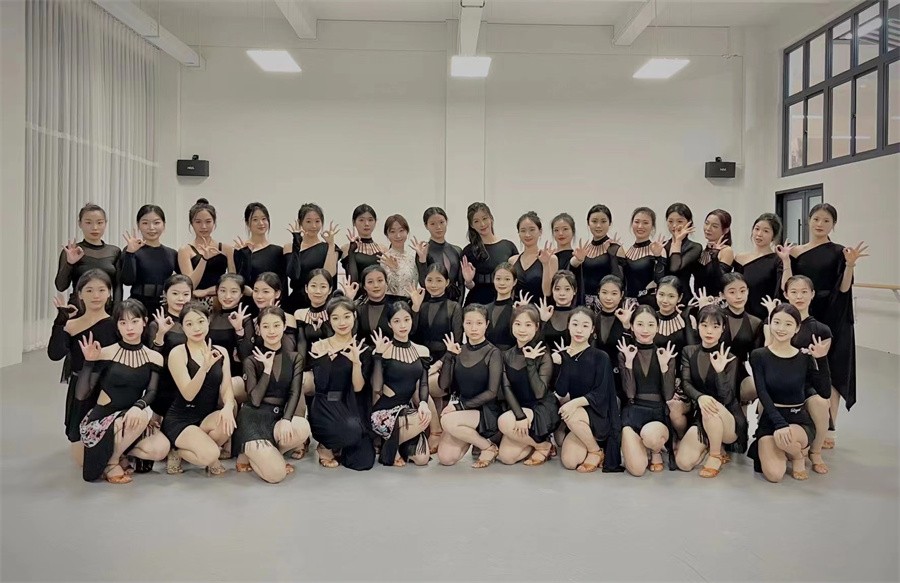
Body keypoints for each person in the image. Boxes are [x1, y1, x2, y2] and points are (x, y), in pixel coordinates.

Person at [789, 203, 866, 448]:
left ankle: (829, 426)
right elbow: (788, 284)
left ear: (833, 225)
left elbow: (844, 288)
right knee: (803, 366)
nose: (820, 224)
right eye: (816, 219)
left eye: (826, 220)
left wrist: (850, 265)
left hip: (834, 316)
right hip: (804, 312)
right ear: (808, 220)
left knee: (832, 370)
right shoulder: (796, 251)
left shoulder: (840, 252)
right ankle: (806, 421)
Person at [74, 299, 170, 483]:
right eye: (123, 322)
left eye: (134, 321)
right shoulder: (106, 352)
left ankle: (119, 452)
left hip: (131, 419)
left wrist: (137, 407)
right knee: (140, 417)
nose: (129, 328)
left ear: (144, 321)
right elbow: (81, 395)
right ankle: (112, 462)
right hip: (101, 423)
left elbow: (151, 391)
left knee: (161, 448)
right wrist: (89, 363)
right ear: (117, 326)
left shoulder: (154, 357)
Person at [748, 303, 831, 483]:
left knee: (783, 438)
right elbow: (762, 392)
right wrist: (779, 423)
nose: (781, 328)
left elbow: (824, 393)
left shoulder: (804, 357)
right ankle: (784, 450)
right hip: (771, 419)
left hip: (798, 420)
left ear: (797, 328)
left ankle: (797, 456)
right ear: (770, 324)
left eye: (788, 324)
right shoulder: (758, 355)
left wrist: (822, 360)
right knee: (774, 475)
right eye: (777, 322)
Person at [763, 275, 834, 474]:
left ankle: (815, 451)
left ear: (812, 294)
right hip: (777, 384)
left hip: (805, 386)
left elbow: (821, 375)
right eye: (794, 292)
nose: (799, 296)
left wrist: (820, 358)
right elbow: (766, 355)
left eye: (804, 292)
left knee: (821, 402)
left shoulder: (821, 330)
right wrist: (771, 320)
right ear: (786, 294)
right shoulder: (774, 324)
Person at [48, 269, 118, 464]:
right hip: (81, 388)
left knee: (108, 445)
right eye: (89, 290)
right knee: (81, 459)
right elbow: (55, 354)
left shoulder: (115, 324)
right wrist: (60, 322)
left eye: (101, 290)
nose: (96, 296)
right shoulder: (71, 325)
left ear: (109, 293)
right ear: (79, 294)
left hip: (108, 389)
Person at [234, 307, 310, 483]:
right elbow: (255, 399)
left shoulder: (295, 358)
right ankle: (249, 452)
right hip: (254, 418)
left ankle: (268, 454)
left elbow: (295, 392)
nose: (271, 331)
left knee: (302, 427)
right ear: (259, 329)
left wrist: (286, 419)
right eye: (266, 326)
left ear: (284, 326)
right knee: (276, 475)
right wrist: (267, 370)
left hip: (276, 417)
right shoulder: (251, 360)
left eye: (276, 325)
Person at [161, 301, 237, 476]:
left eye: (201, 321)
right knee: (211, 455)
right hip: (181, 419)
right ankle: (178, 451)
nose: (196, 328)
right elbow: (188, 394)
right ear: (182, 327)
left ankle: (202, 448)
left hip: (206, 416)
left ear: (208, 321)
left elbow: (226, 388)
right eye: (189, 324)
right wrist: (204, 368)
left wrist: (228, 407)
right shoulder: (178, 353)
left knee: (227, 420)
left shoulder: (221, 352)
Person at [675, 306, 745, 477]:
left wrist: (720, 372)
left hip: (728, 418)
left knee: (711, 405)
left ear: (723, 328)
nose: (709, 331)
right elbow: (686, 383)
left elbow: (727, 397)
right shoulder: (689, 352)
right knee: (683, 463)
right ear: (697, 326)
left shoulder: (729, 357)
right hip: (702, 415)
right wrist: (700, 397)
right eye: (704, 325)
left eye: (715, 326)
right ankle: (709, 446)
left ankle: (715, 454)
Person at [307, 297, 375, 470]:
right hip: (326, 404)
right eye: (336, 318)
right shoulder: (320, 346)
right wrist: (325, 363)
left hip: (352, 404)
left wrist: (356, 363)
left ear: (354, 316)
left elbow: (358, 388)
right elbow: (321, 386)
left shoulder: (363, 348)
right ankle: (325, 445)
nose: (342, 322)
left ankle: (340, 445)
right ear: (329, 320)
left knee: (364, 462)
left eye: (346, 316)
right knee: (352, 431)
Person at [553, 307, 623, 473]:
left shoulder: (600, 357)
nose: (579, 330)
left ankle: (595, 451)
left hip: (599, 414)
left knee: (570, 413)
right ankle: (593, 446)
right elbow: (561, 391)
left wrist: (574, 404)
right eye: (575, 324)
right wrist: (563, 362)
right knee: (570, 462)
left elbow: (601, 394)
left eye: (585, 326)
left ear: (592, 329)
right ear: (568, 326)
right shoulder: (563, 356)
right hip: (578, 420)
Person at [437, 305, 504, 468]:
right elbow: (443, 385)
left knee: (447, 421)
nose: (474, 328)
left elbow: (492, 392)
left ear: (487, 324)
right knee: (446, 458)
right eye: (469, 323)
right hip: (464, 411)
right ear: (463, 325)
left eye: (479, 323)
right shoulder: (458, 350)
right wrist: (449, 356)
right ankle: (479, 441)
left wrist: (458, 407)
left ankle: (488, 447)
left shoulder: (493, 353)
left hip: (487, 411)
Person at [369, 303, 433, 467]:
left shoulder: (422, 351)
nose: (402, 325)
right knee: (419, 419)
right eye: (396, 321)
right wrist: (378, 356)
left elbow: (423, 383)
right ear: (390, 324)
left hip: (406, 410)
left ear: (412, 320)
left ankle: (391, 444)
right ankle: (391, 449)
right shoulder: (383, 350)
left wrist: (423, 403)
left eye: (406, 319)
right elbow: (376, 388)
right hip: (383, 413)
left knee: (422, 459)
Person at [496, 305, 559, 466]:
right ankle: (541, 444)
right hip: (520, 409)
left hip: (541, 408)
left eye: (528, 325)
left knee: (503, 421)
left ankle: (542, 444)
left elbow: (539, 393)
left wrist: (530, 362)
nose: (522, 329)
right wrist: (519, 416)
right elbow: (506, 388)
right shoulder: (506, 355)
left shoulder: (543, 353)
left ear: (536, 327)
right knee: (506, 458)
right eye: (517, 324)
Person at [618, 305, 677, 476]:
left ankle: (655, 450)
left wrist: (665, 367)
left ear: (657, 327)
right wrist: (629, 363)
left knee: (651, 436)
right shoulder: (624, 353)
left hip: (656, 414)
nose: (645, 330)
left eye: (651, 325)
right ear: (632, 326)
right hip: (633, 413)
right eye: (640, 324)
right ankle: (640, 446)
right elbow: (629, 393)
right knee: (637, 470)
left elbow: (668, 395)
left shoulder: (665, 353)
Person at [412, 263, 463, 451]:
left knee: (419, 386)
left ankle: (436, 431)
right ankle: (436, 431)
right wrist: (415, 309)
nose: (434, 285)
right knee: (421, 384)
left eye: (439, 280)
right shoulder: (421, 305)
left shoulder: (454, 307)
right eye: (430, 280)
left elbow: (456, 343)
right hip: (423, 362)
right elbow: (412, 336)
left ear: (447, 282)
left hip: (446, 364)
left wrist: (438, 364)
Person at [653, 276, 696, 439]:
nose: (665, 300)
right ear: (656, 293)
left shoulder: (686, 318)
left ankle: (681, 438)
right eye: (661, 294)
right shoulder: (649, 318)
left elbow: (691, 352)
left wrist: (686, 320)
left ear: (680, 298)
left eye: (671, 296)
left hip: (680, 381)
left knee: (674, 408)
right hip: (654, 378)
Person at [147, 274, 194, 420]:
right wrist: (161, 334)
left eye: (185, 294)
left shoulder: (196, 321)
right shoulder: (156, 324)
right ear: (165, 294)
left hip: (191, 381)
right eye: (175, 293)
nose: (181, 299)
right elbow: (153, 359)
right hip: (165, 383)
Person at [55, 203, 122, 303]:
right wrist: (69, 264)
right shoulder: (72, 251)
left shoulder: (114, 251)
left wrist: (117, 310)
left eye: (99, 222)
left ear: (105, 223)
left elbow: (118, 287)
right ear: (80, 224)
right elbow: (61, 286)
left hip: (105, 308)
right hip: (78, 308)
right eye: (88, 222)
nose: (94, 227)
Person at [119, 204, 178, 315]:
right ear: (138, 225)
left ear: (164, 225)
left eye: (156, 223)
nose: (151, 228)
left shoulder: (172, 253)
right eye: (145, 223)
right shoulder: (131, 250)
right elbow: (127, 281)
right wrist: (130, 253)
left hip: (164, 307)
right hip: (137, 307)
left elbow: (184, 280)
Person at [733, 213, 791, 321]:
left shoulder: (777, 260)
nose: (759, 234)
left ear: (773, 236)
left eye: (766, 231)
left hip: (766, 315)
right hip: (741, 314)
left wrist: (786, 261)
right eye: (757, 229)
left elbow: (785, 288)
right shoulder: (739, 258)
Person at [285, 203, 340, 312]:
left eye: (317, 221)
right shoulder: (289, 247)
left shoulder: (329, 247)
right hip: (297, 303)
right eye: (308, 221)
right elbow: (294, 275)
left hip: (322, 303)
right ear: (300, 222)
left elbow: (328, 274)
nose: (313, 226)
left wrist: (331, 244)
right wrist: (296, 244)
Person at [233, 202, 289, 309]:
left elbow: (283, 284)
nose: (261, 223)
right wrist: (246, 255)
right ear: (247, 223)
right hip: (249, 307)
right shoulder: (240, 251)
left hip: (274, 308)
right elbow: (240, 282)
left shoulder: (278, 251)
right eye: (255, 220)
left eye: (264, 219)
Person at [460, 202, 518, 306]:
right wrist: (468, 281)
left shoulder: (508, 246)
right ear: (472, 225)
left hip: (502, 303)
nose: (482, 224)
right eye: (476, 221)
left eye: (484, 218)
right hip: (476, 304)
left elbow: (515, 279)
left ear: (491, 218)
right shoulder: (468, 251)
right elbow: (469, 286)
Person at [568, 204, 624, 310]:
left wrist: (611, 255)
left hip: (607, 304)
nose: (598, 225)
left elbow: (620, 281)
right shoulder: (584, 249)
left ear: (610, 223)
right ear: (588, 223)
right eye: (594, 221)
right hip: (583, 303)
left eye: (603, 221)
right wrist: (576, 261)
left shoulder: (616, 248)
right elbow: (573, 278)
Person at [177, 198, 234, 301]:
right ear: (191, 223)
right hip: (195, 301)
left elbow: (233, 283)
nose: (203, 226)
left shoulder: (227, 249)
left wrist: (207, 291)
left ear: (214, 222)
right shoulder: (185, 250)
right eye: (198, 222)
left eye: (208, 222)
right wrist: (204, 259)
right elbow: (190, 285)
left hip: (223, 300)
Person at [413, 207, 465, 304]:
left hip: (453, 302)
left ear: (446, 222)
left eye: (441, 222)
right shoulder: (423, 251)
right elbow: (423, 283)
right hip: (430, 303)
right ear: (426, 226)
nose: (438, 227)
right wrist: (422, 260)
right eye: (433, 224)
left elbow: (461, 283)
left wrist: (459, 306)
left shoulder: (457, 250)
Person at [509, 211, 558, 301]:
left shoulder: (551, 259)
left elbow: (547, 292)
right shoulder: (512, 260)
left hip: (540, 308)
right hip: (517, 308)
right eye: (523, 231)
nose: (527, 235)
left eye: (532, 230)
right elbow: (510, 292)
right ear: (518, 233)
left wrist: (545, 264)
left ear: (540, 231)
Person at [622, 207, 667, 302]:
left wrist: (658, 256)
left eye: (645, 223)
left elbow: (661, 281)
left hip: (648, 303)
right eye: (637, 222)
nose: (640, 226)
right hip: (627, 303)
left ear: (652, 227)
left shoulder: (658, 250)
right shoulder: (627, 251)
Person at [663, 203, 702, 306]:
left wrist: (678, 242)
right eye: (670, 221)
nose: (674, 225)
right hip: (663, 298)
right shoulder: (662, 245)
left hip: (684, 298)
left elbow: (675, 268)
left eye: (680, 221)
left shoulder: (695, 247)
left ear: (689, 223)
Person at [694, 209, 734, 298]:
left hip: (715, 301)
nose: (708, 228)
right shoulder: (704, 250)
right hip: (699, 301)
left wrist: (714, 256)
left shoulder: (726, 251)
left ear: (725, 230)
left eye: (715, 226)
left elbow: (721, 281)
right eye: (707, 223)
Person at [341, 204, 384, 287]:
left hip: (379, 293)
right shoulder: (346, 248)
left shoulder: (383, 249)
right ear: (354, 222)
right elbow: (352, 282)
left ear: (375, 222)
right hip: (355, 294)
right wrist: (351, 251)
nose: (366, 224)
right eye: (361, 220)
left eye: (370, 220)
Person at [379, 214, 419, 301]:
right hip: (393, 303)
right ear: (387, 234)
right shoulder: (386, 258)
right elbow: (392, 289)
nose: (398, 236)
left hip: (411, 303)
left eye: (401, 230)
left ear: (407, 232)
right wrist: (394, 269)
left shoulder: (411, 257)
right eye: (392, 232)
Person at [537, 270, 577, 349]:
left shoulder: (579, 315)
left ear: (574, 291)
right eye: (557, 289)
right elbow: (537, 343)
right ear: (552, 290)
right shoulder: (544, 314)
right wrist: (543, 321)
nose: (562, 293)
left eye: (567, 289)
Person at [485, 262, 518, 352]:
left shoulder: (517, 310)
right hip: (487, 356)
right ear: (493, 280)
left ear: (514, 282)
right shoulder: (485, 309)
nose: (502, 283)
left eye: (507, 279)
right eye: (498, 279)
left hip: (510, 357)